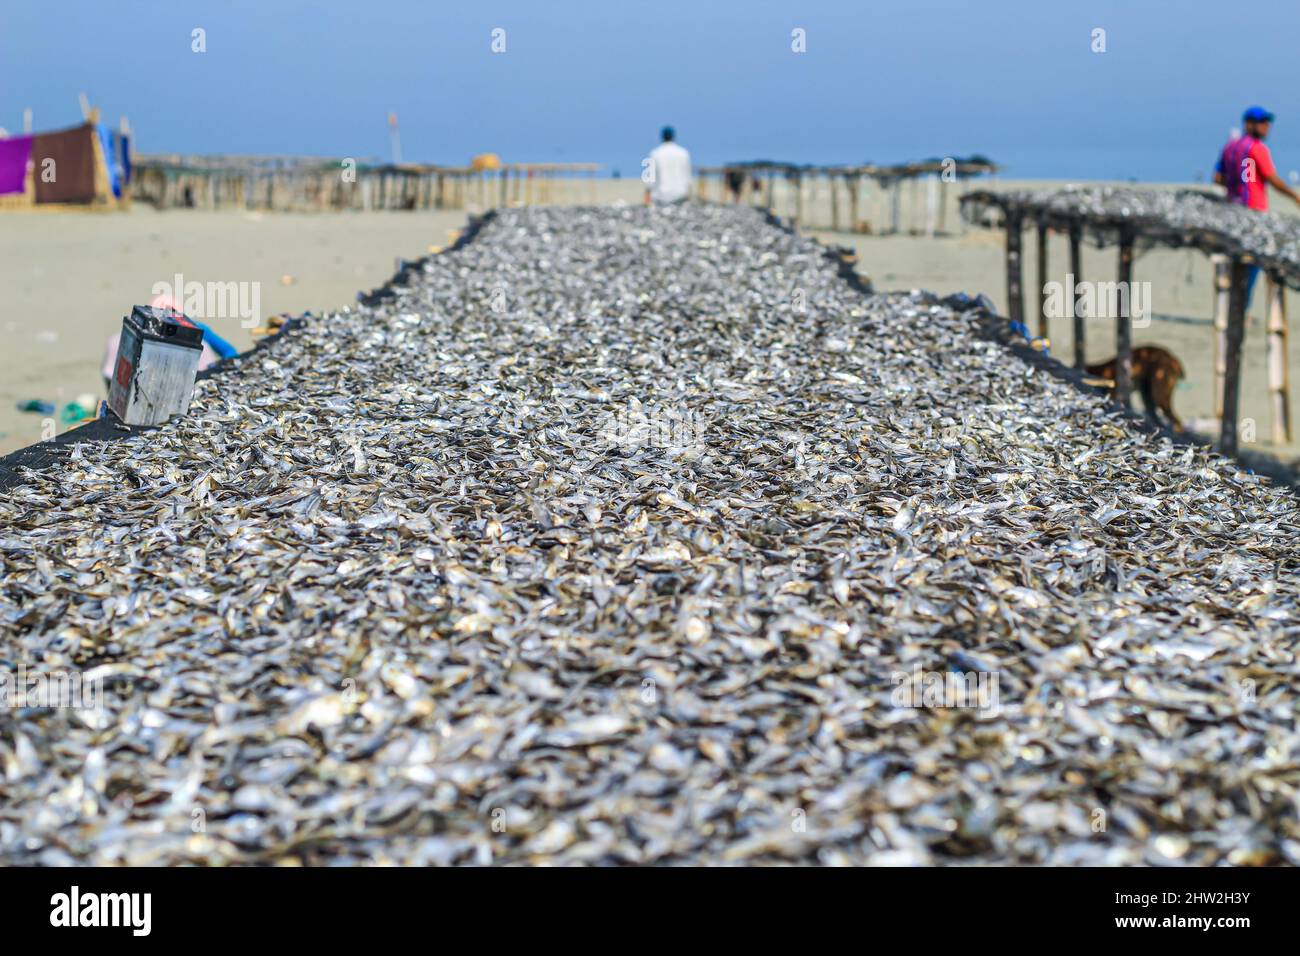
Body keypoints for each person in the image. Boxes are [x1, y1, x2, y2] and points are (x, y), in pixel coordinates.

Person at [1215, 107, 1300, 305]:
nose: (1267, 127)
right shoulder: (1256, 148)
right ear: (1249, 124)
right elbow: (1271, 178)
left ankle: (1230, 306)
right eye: (1262, 123)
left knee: (1234, 262)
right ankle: (1240, 310)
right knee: (1251, 263)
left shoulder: (1230, 147)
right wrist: (1294, 196)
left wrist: (1238, 184)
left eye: (1267, 123)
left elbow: (1218, 178)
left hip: (1232, 211)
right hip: (1253, 212)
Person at [646, 126, 692, 205]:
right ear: (673, 137)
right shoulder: (683, 153)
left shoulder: (655, 154)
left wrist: (647, 198)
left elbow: (650, 180)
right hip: (680, 196)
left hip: (660, 197)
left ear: (662, 137)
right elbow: (688, 178)